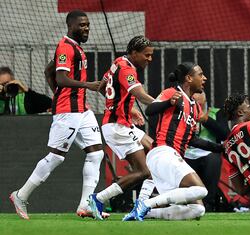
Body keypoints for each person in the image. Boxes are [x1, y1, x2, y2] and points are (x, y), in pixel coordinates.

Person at [9, 10, 105, 220]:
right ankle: (20, 195)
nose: (86, 28)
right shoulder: (65, 46)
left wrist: (61, 95)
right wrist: (86, 86)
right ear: (70, 26)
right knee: (55, 157)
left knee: (96, 153)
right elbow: (60, 78)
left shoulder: (75, 47)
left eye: (87, 24)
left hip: (82, 109)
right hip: (68, 111)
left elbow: (47, 70)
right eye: (81, 25)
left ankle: (85, 205)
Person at [122, 62, 223, 221]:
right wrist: (169, 103)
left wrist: (219, 147)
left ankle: (147, 213)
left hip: (174, 157)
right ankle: (146, 204)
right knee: (200, 190)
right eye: (200, 74)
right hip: (163, 152)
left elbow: (192, 140)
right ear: (189, 78)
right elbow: (150, 110)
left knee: (197, 209)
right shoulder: (172, 93)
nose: (205, 78)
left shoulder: (195, 108)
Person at [88, 36, 155, 220]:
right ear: (134, 53)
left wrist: (126, 107)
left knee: (156, 151)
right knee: (144, 171)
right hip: (118, 127)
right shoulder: (126, 69)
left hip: (120, 123)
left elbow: (102, 87)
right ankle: (99, 198)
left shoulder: (118, 62)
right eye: (146, 55)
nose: (149, 59)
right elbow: (140, 95)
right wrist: (163, 103)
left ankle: (140, 205)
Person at [184, 91, 229, 212]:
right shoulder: (183, 111)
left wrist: (206, 120)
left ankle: (208, 204)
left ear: (204, 100)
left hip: (209, 152)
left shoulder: (217, 112)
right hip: (186, 153)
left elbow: (225, 134)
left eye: (199, 103)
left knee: (213, 159)